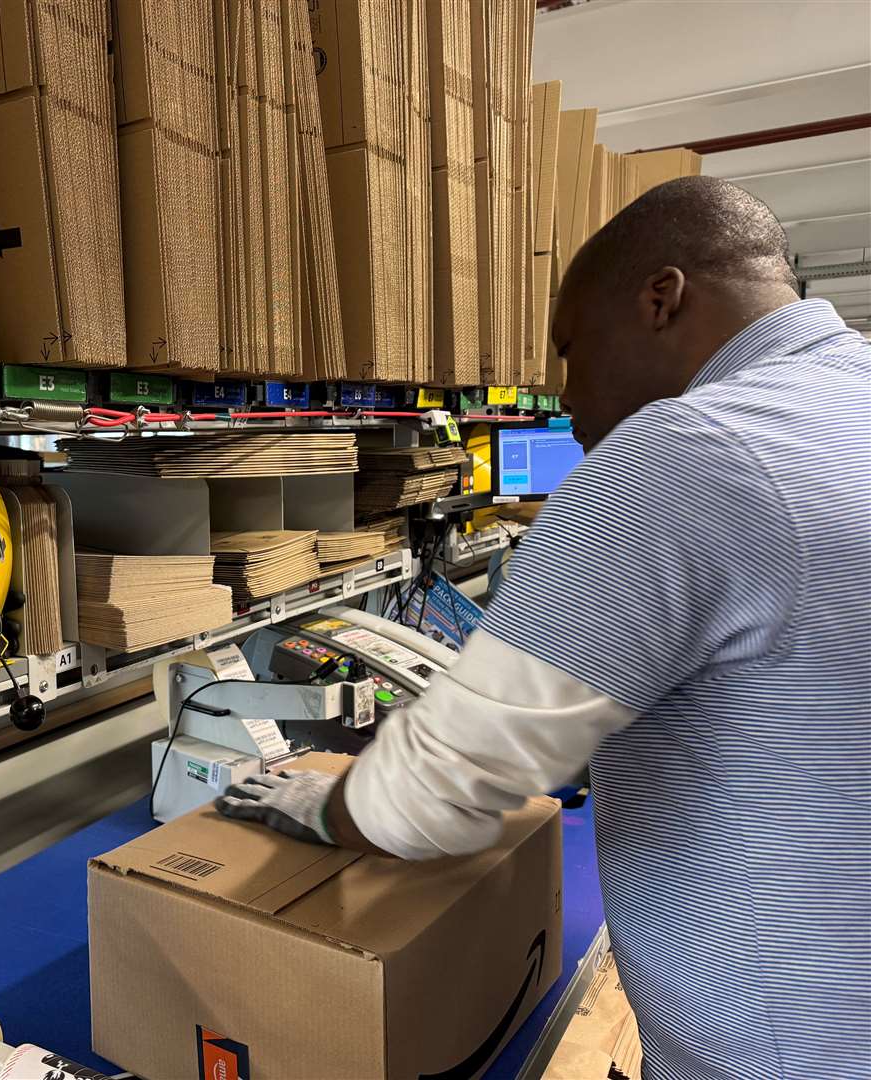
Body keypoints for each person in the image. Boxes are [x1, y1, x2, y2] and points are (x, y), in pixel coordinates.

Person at [217, 176, 871, 1080]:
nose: (565, 396)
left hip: (789, 1047)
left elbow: (439, 790)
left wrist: (320, 806)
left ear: (661, 298)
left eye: (570, 350)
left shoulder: (690, 452)